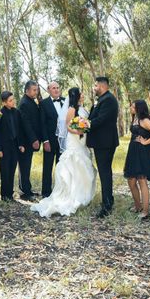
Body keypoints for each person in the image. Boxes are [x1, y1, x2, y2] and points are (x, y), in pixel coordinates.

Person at [31, 87, 97, 217]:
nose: (83, 95)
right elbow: (67, 125)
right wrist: (79, 131)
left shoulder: (82, 109)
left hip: (82, 142)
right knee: (74, 166)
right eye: (81, 94)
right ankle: (72, 195)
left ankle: (83, 194)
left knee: (85, 167)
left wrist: (86, 128)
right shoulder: (71, 109)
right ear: (76, 96)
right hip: (74, 140)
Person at [124, 100, 150, 221]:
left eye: (133, 106)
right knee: (131, 180)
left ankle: (145, 211)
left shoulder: (145, 120)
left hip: (142, 152)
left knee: (142, 181)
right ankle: (137, 206)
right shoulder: (135, 118)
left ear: (138, 108)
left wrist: (146, 142)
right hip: (133, 151)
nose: (131, 107)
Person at [87, 77, 119, 218]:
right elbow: (94, 115)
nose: (94, 88)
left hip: (105, 143)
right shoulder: (102, 99)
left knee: (105, 173)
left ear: (101, 86)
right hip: (101, 142)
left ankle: (107, 206)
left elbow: (101, 119)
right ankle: (108, 201)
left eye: (95, 85)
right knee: (104, 172)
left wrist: (86, 125)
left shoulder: (109, 100)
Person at [40, 81, 69, 197]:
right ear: (48, 90)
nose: (56, 90)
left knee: (61, 166)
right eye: (53, 88)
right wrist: (45, 141)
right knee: (47, 166)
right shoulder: (43, 103)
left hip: (63, 141)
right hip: (50, 141)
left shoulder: (65, 101)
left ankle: (60, 191)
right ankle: (46, 192)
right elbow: (42, 124)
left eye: (58, 87)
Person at [0, 91, 24, 202]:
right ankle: (4, 195)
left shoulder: (17, 112)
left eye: (13, 99)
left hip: (15, 146)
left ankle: (10, 195)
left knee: (12, 170)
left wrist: (21, 144)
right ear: (4, 102)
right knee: (5, 171)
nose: (13, 102)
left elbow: (19, 130)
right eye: (10, 100)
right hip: (4, 147)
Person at [17, 80, 43, 200]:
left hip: (31, 139)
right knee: (24, 166)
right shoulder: (24, 103)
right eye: (34, 90)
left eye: (37, 89)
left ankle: (28, 189)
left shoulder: (31, 101)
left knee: (27, 165)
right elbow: (26, 124)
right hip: (25, 141)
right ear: (27, 90)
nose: (36, 92)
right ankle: (24, 192)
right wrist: (34, 139)